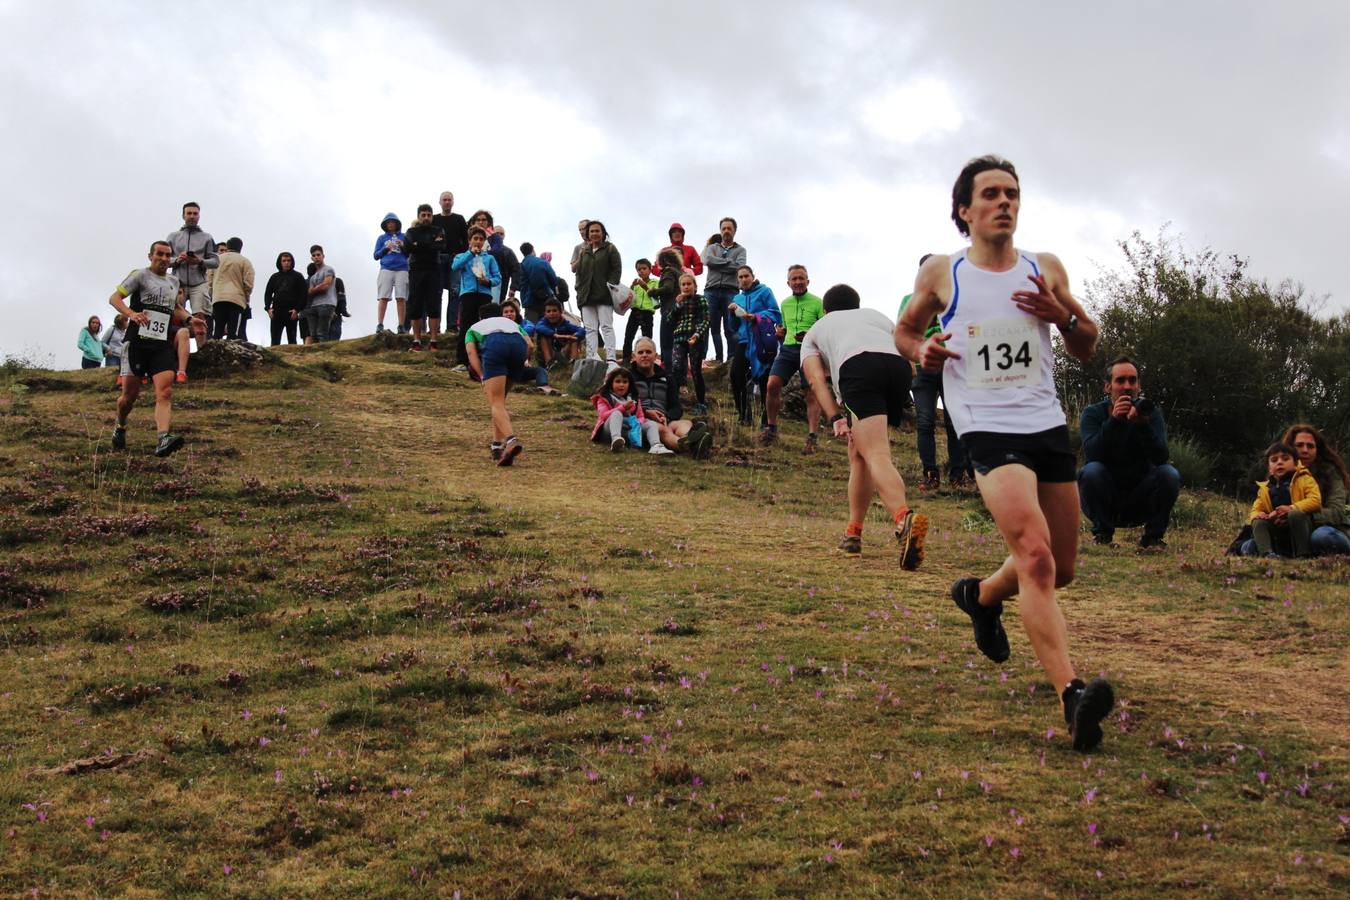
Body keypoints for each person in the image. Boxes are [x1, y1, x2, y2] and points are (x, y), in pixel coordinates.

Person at [895, 154, 1113, 753]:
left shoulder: (1045, 268)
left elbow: (1088, 345)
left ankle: (981, 597)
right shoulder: (946, 273)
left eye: (1012, 193)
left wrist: (1061, 315)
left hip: (1044, 422)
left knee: (1061, 568)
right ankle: (1072, 696)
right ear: (964, 210)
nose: (1004, 202)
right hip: (985, 425)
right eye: (990, 194)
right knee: (1036, 555)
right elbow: (906, 330)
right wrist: (923, 354)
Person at [798, 284, 927, 569]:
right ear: (857, 304)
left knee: (875, 453)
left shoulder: (817, 329)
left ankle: (903, 519)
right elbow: (911, 360)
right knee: (859, 451)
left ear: (826, 309)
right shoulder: (876, 316)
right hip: (899, 369)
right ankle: (853, 534)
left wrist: (834, 417)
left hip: (859, 367)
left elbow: (817, 381)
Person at [1077, 356, 1181, 549]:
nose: (1127, 386)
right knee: (1091, 471)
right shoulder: (1093, 413)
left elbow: (1161, 457)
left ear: (1139, 386)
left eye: (1132, 381)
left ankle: (1153, 539)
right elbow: (1092, 454)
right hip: (1106, 498)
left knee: (1169, 473)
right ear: (1107, 387)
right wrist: (1114, 421)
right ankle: (1102, 536)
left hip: (1140, 499)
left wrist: (1143, 426)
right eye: (1120, 380)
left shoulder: (1150, 413)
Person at [108, 241, 188, 457]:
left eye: (167, 255)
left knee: (165, 391)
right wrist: (132, 314)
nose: (163, 259)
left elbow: (175, 307)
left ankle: (163, 438)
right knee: (129, 397)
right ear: (150, 256)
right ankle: (120, 425)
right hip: (137, 343)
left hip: (160, 344)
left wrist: (190, 318)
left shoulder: (173, 280)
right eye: (159, 254)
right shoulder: (140, 275)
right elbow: (114, 298)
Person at [899, 255, 972, 488]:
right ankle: (930, 474)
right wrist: (909, 363)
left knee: (954, 421)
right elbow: (903, 334)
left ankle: (957, 474)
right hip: (922, 369)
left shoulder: (957, 300)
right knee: (925, 421)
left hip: (952, 368)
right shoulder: (909, 301)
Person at [463, 301, 532, 465]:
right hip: (518, 347)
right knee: (499, 402)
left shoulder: (474, 328)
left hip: (495, 347)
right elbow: (530, 344)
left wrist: (481, 375)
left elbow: (471, 352)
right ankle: (496, 445)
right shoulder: (510, 323)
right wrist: (523, 360)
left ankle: (511, 440)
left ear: (481, 317)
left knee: (495, 401)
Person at [764, 264, 824, 449]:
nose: (798, 282)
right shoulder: (785, 303)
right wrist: (780, 332)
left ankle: (812, 436)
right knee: (772, 385)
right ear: (788, 283)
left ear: (808, 281)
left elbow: (824, 327)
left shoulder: (817, 302)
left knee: (810, 392)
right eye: (794, 279)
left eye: (801, 278)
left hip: (810, 350)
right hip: (789, 349)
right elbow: (784, 326)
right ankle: (771, 428)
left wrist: (811, 335)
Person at [628, 337, 711, 458]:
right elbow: (624, 404)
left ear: (656, 355)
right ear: (634, 356)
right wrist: (646, 413)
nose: (644, 355)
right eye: (640, 352)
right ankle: (691, 447)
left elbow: (677, 408)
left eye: (648, 352)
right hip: (641, 421)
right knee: (662, 430)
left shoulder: (667, 378)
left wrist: (666, 417)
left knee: (685, 423)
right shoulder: (627, 378)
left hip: (665, 420)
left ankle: (691, 440)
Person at [1242, 442, 1322, 557]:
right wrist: (1259, 514)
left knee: (1295, 514)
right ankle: (1268, 554)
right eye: (1274, 460)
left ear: (1295, 463)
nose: (1279, 462)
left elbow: (1315, 500)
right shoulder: (1265, 488)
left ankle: (1303, 554)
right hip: (1277, 528)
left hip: (1300, 527)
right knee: (1258, 522)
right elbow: (1255, 510)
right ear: (1270, 469)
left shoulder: (1304, 478)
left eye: (1285, 459)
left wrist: (1291, 508)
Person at [1280, 424, 1350, 555]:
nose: (1305, 450)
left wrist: (1299, 513)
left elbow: (1337, 512)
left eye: (1310, 446)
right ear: (1290, 448)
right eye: (1299, 445)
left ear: (1318, 450)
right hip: (1290, 532)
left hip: (1327, 529)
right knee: (1249, 546)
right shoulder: (1279, 474)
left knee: (1322, 537)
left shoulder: (1331, 473)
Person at [727, 265, 781, 427]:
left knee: (765, 380)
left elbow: (775, 313)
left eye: (746, 276)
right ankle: (744, 416)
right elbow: (734, 327)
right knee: (736, 376)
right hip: (744, 342)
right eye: (741, 277)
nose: (744, 280)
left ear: (752, 276)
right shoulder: (737, 299)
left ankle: (766, 421)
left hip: (762, 340)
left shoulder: (765, 291)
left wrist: (756, 317)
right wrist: (732, 313)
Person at [166, 201, 219, 349]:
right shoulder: (173, 237)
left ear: (199, 216)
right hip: (178, 282)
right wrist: (177, 260)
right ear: (183, 215)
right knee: (176, 317)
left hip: (199, 283)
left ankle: (202, 352)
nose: (192, 216)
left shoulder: (207, 237)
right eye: (189, 213)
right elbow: (164, 259)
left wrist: (199, 261)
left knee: (200, 316)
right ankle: (174, 350)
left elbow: (215, 261)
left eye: (195, 213)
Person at [590, 367, 672, 455]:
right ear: (611, 383)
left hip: (629, 430)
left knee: (650, 423)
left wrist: (636, 423)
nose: (621, 385)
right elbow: (603, 416)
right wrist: (623, 408)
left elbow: (640, 416)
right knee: (616, 413)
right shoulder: (604, 398)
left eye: (625, 382)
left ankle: (656, 445)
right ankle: (616, 439)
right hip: (608, 431)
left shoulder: (634, 398)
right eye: (618, 381)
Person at [452, 227, 503, 368]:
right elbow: (455, 266)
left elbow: (497, 277)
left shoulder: (490, 258)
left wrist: (488, 282)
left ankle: (484, 360)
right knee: (466, 326)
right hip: (468, 294)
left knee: (484, 327)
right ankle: (462, 360)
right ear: (470, 241)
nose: (478, 242)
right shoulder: (463, 256)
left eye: (481, 239)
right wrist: (470, 254)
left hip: (485, 295)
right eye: (475, 238)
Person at [574, 220, 621, 361]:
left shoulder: (610, 249)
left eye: (597, 231)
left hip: (604, 295)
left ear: (603, 233)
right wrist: (579, 289)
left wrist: (610, 285)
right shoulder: (584, 252)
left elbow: (616, 270)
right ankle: (592, 356)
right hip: (586, 296)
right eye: (591, 231)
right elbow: (579, 273)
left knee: (606, 326)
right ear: (587, 234)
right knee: (590, 329)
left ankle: (611, 358)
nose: (594, 233)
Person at [700, 217, 745, 362]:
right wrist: (728, 263)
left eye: (729, 228)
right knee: (708, 326)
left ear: (734, 231)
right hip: (711, 290)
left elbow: (739, 267)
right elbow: (708, 261)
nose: (726, 231)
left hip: (731, 291)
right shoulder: (712, 248)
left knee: (730, 327)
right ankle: (709, 359)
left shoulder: (741, 250)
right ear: (720, 230)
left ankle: (732, 359)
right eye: (723, 228)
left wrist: (717, 264)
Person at [403, 204, 446, 351]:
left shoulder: (438, 230)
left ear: (432, 216)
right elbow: (407, 247)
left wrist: (419, 244)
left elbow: (441, 246)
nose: (426, 218)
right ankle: (416, 341)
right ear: (419, 216)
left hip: (434, 269)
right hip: (416, 270)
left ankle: (433, 340)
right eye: (423, 215)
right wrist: (430, 244)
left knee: (434, 304)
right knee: (415, 304)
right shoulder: (411, 231)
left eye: (429, 215)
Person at [668, 272, 709, 417]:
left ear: (695, 286)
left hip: (695, 338)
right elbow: (670, 319)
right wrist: (677, 305)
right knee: (676, 365)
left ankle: (701, 403)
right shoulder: (678, 302)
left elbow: (706, 319)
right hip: (679, 337)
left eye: (688, 284)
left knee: (696, 370)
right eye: (683, 285)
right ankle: (674, 400)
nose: (686, 287)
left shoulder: (701, 300)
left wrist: (697, 335)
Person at [502, 301, 561, 394]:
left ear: (516, 313)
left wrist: (523, 360)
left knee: (540, 370)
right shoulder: (498, 329)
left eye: (512, 311)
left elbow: (530, 345)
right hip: (502, 369)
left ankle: (543, 387)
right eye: (506, 312)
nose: (509, 314)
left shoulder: (521, 327)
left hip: (519, 367)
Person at [433, 191, 468, 328]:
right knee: (437, 293)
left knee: (455, 292)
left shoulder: (459, 219)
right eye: (444, 199)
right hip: (438, 259)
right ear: (440, 202)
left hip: (455, 260)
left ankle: (452, 326)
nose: (447, 202)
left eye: (449, 200)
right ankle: (435, 327)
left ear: (453, 202)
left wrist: (461, 256)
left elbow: (465, 241)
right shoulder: (434, 219)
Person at [209, 237, 254, 341]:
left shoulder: (217, 259)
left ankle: (214, 354)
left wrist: (212, 294)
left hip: (218, 298)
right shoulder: (245, 262)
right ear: (240, 247)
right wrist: (246, 298)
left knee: (217, 332)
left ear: (228, 246)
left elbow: (209, 280)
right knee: (233, 333)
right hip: (236, 300)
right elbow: (249, 283)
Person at [372, 212, 409, 335]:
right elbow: (376, 255)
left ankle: (401, 325)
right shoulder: (382, 238)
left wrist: (403, 246)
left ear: (397, 224)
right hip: (386, 267)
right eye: (388, 223)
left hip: (402, 268)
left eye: (393, 222)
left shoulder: (404, 236)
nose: (391, 224)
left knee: (401, 297)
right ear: (385, 225)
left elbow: (409, 253)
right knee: (383, 296)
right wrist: (386, 248)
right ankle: (380, 324)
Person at [650, 249, 683, 371]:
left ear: (664, 260)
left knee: (667, 344)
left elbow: (668, 288)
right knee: (678, 345)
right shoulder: (680, 272)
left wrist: (653, 291)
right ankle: (679, 373)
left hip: (669, 310)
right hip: (680, 311)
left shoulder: (668, 271)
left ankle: (669, 373)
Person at [264, 252, 307, 346]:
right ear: (280, 262)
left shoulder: (298, 276)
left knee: (292, 341)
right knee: (275, 341)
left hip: (291, 312)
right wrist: (268, 308)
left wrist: (297, 310)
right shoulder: (274, 277)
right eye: (284, 261)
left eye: (288, 260)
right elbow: (268, 293)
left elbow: (303, 295)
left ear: (292, 262)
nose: (286, 263)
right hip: (277, 312)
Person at [622, 258, 659, 366]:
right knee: (628, 335)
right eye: (639, 269)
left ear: (650, 270)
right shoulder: (636, 284)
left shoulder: (655, 282)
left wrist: (646, 287)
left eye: (644, 268)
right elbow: (629, 296)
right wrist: (632, 286)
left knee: (647, 337)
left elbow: (656, 297)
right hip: (635, 311)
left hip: (648, 313)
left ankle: (648, 359)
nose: (641, 271)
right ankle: (626, 360)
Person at [534, 299, 586, 366]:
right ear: (545, 314)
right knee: (543, 336)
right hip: (549, 352)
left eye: (554, 310)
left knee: (574, 337)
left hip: (563, 352)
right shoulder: (543, 323)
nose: (551, 313)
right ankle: (549, 363)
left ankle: (574, 362)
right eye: (548, 311)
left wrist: (575, 335)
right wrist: (555, 335)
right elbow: (538, 327)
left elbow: (581, 330)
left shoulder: (565, 324)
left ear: (561, 312)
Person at [304, 245, 338, 345]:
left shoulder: (328, 269)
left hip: (327, 304)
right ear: (311, 258)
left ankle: (325, 357)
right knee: (313, 334)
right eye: (314, 255)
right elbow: (309, 291)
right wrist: (318, 287)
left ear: (323, 256)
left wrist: (315, 288)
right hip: (314, 305)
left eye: (318, 255)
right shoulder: (313, 276)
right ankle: (315, 357)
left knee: (322, 333)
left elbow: (325, 286)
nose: (316, 257)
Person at [518, 242, 558, 324]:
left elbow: (520, 284)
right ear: (533, 250)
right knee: (547, 326)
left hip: (529, 301)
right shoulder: (543, 262)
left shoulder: (521, 265)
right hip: (546, 299)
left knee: (531, 327)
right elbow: (554, 280)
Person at [489, 226, 522, 305]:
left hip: (501, 286)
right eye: (497, 233)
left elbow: (516, 269)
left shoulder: (508, 252)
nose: (499, 235)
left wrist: (513, 288)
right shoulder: (484, 248)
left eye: (501, 234)